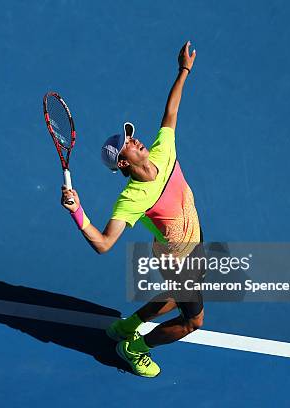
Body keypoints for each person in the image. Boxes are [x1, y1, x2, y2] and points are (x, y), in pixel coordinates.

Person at [60, 41, 204, 378]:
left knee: (181, 295)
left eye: (131, 136)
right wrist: (77, 211)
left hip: (193, 238)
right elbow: (104, 243)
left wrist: (183, 70)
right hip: (175, 258)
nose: (135, 139)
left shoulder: (162, 149)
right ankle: (136, 347)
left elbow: (170, 113)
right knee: (193, 321)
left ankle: (128, 327)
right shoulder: (132, 198)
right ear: (123, 162)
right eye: (128, 143)